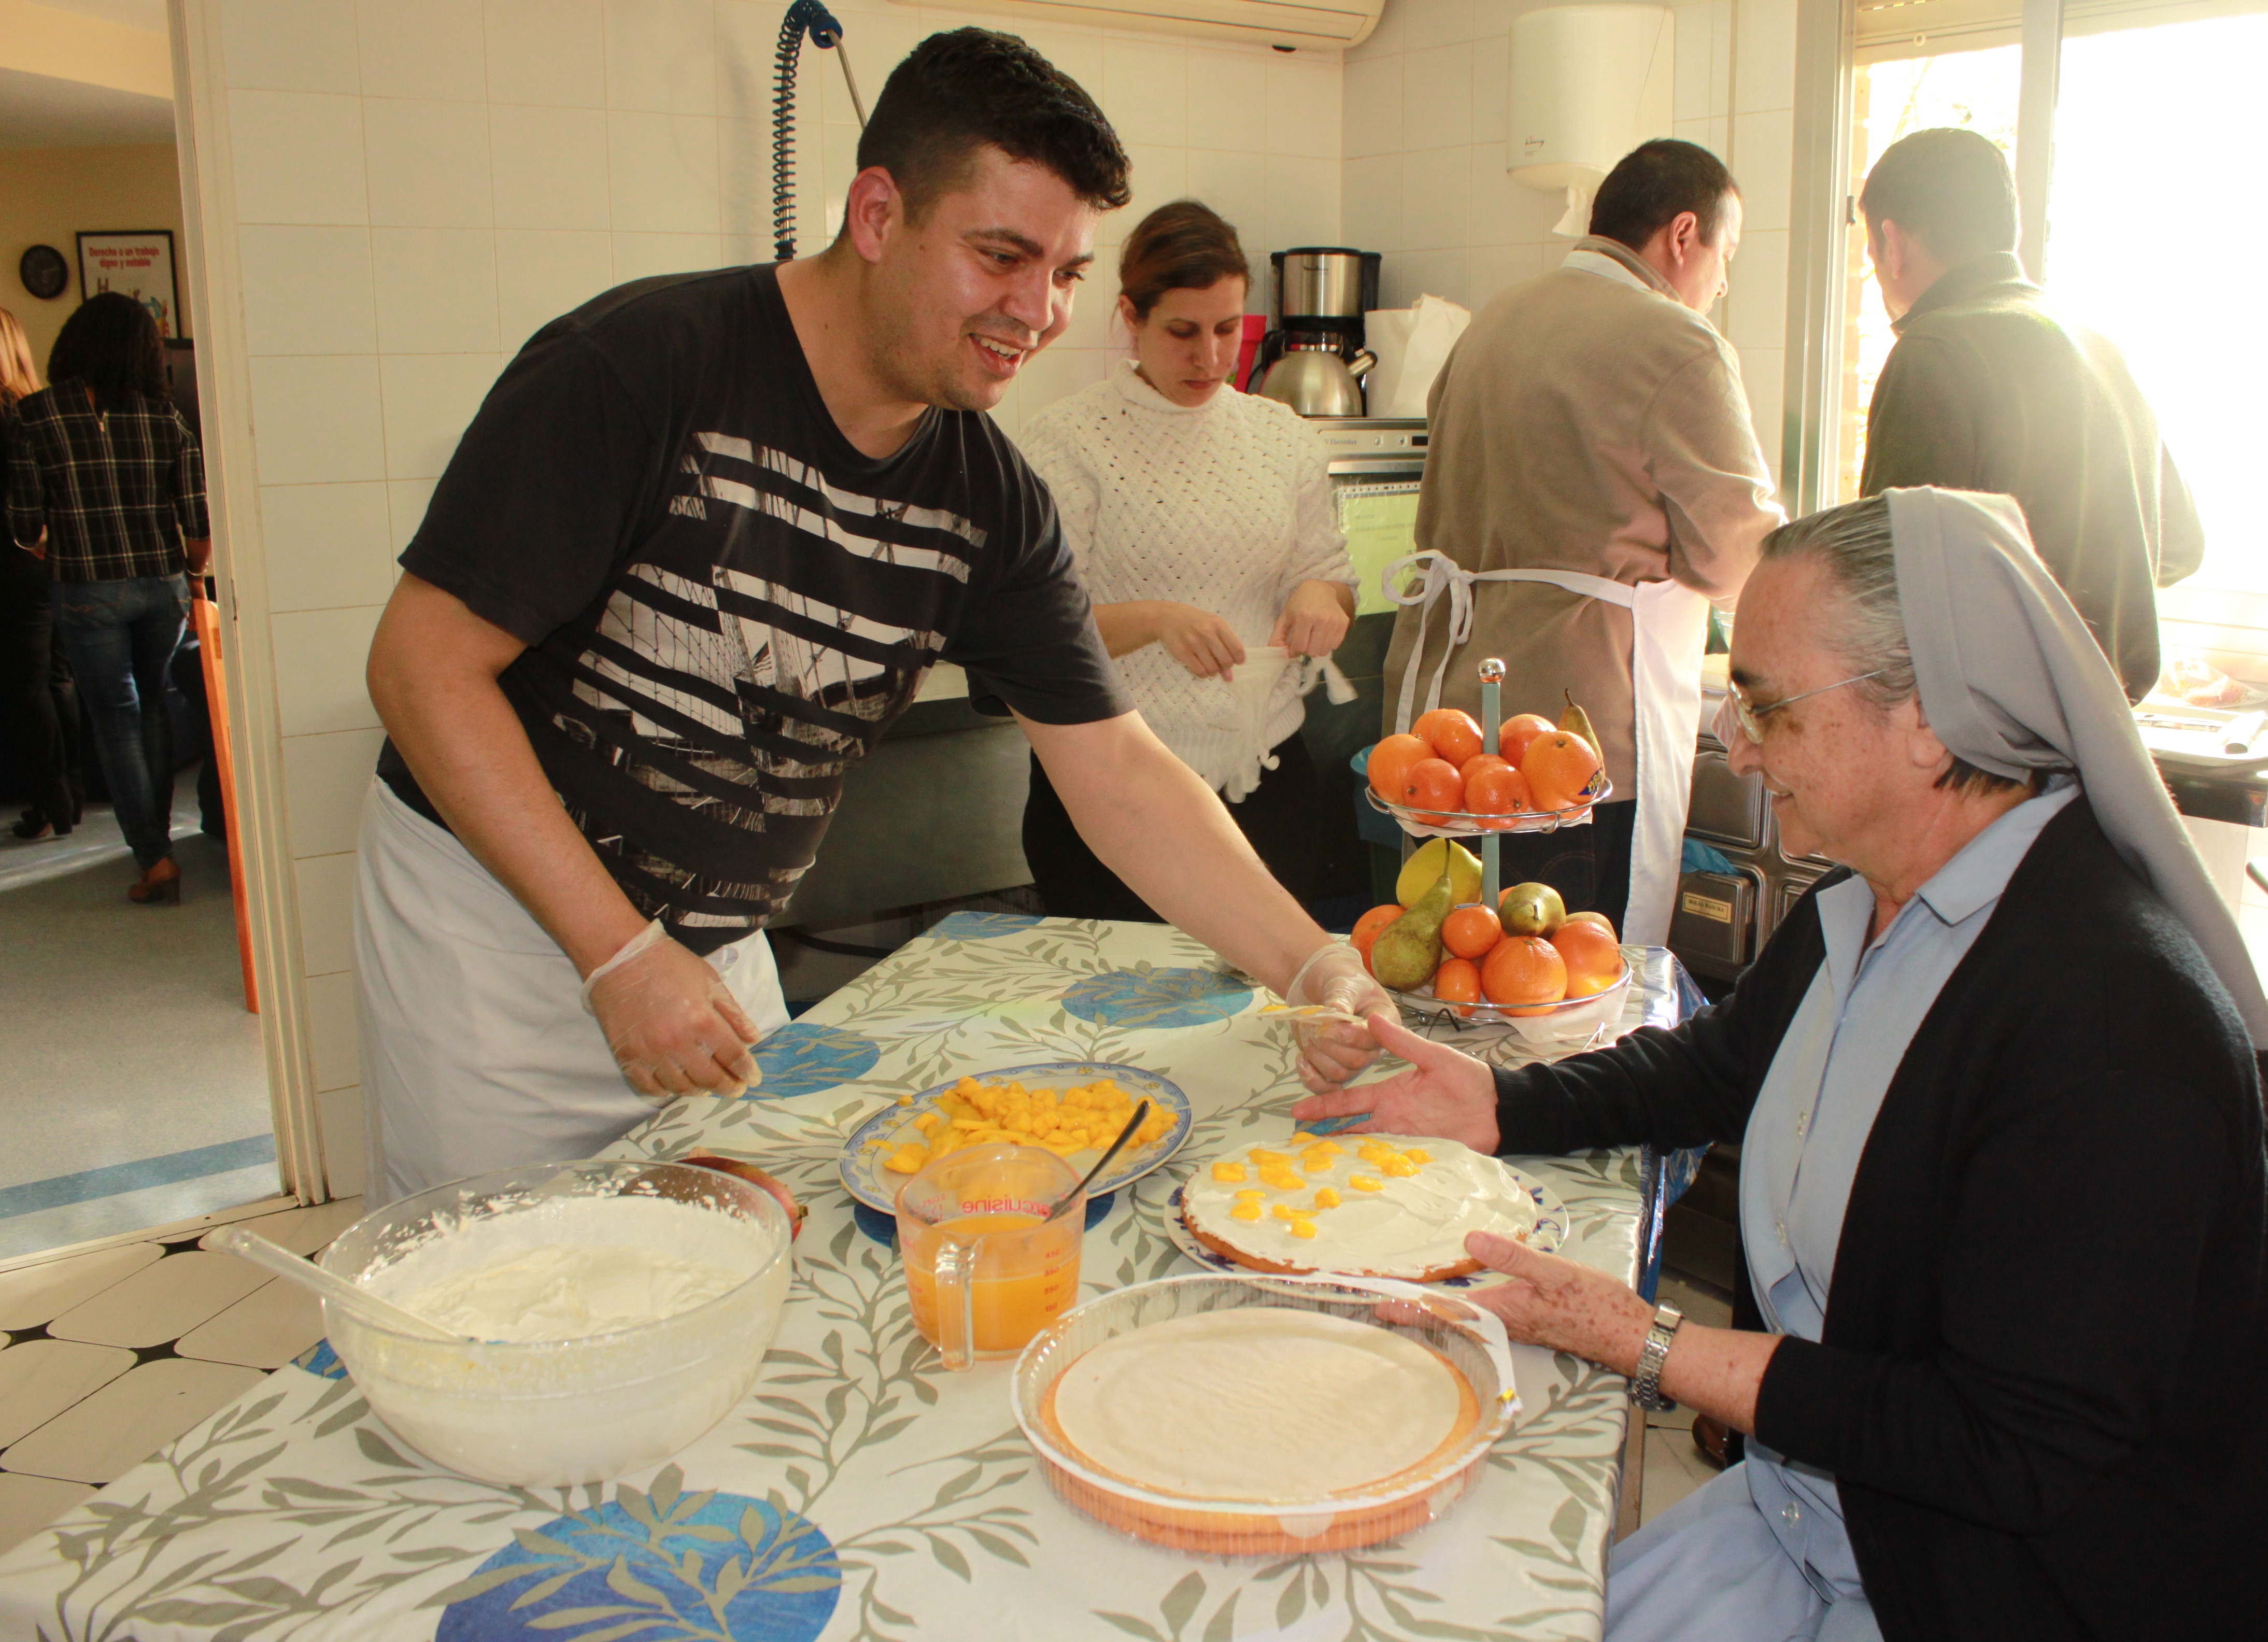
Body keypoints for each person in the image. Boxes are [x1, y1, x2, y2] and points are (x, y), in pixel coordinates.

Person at [356, 30, 1392, 1205]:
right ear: (876, 214)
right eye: (1000, 256)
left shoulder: (983, 496)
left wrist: (1312, 962)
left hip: (709, 952)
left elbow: (1116, 771)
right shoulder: (636, 369)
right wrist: (618, 951)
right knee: (502, 1276)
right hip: (500, 942)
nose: (1038, 310)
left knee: (733, 1256)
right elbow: (421, 668)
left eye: (1064, 271)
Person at [1303, 490, 2268, 1641]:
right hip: (1821, 1521)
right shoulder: (1870, 902)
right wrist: (1499, 1101)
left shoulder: (2109, 1028)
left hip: (1987, 1595)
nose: (1738, 747)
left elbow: (2007, 1445)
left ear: (1928, 719)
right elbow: (1710, 1069)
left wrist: (1648, 1342)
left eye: (1769, 708)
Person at [1383, 138, 1784, 944]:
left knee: (1466, 960)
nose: (1723, 284)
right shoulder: (1677, 343)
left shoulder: (1494, 322)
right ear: (1682, 235)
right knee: (1572, 979)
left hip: (1457, 722)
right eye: (1727, 255)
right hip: (1581, 728)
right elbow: (1738, 557)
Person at [1015, 200, 1357, 919]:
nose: (1210, 357)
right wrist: (1155, 620)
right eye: (1182, 332)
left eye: (1228, 329)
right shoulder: (1068, 442)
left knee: (1265, 985)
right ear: (1131, 318)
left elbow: (1330, 576)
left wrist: (1321, 596)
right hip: (1113, 791)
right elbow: (1032, 630)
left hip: (1267, 785)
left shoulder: (1281, 436)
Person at [1858, 128, 2201, 703]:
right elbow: (2181, 548)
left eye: (1872, 257)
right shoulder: (2102, 350)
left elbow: (1888, 581)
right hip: (2106, 726)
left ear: (1894, 245)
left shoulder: (1935, 350)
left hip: (1991, 731)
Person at [5, 293, 209, 901]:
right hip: (161, 586)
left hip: (86, 589)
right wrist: (193, 575)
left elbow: (24, 524)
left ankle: (154, 859)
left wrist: (47, 546)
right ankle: (161, 844)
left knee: (115, 719)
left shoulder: (36, 416)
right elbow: (198, 525)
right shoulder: (165, 417)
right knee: (154, 707)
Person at [0, 306, 82, 844]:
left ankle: (51, 802)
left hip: (11, 559)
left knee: (26, 687)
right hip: (51, 559)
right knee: (58, 679)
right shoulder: (38, 409)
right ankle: (69, 792)